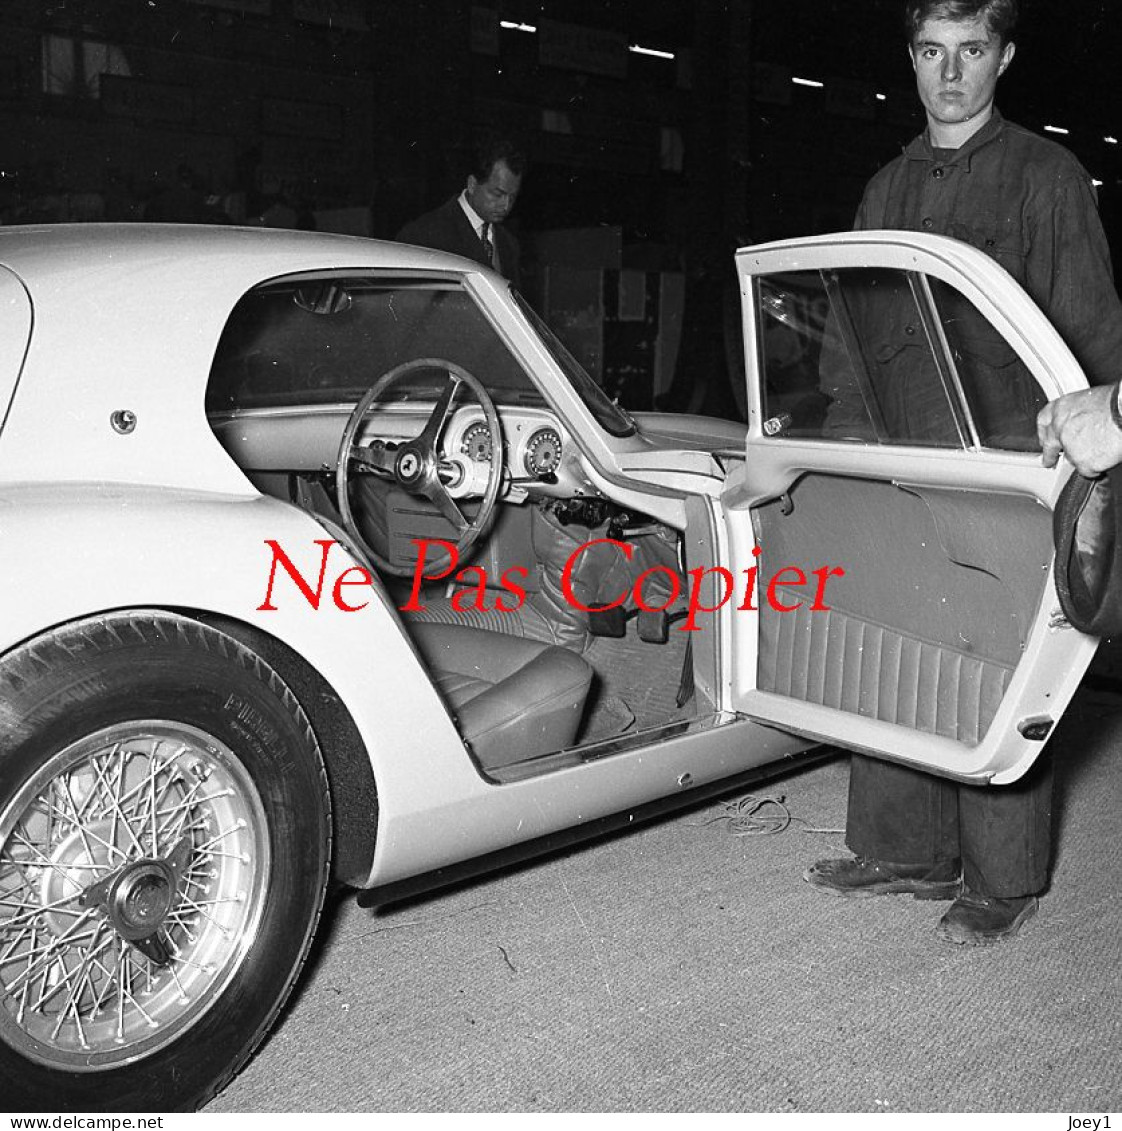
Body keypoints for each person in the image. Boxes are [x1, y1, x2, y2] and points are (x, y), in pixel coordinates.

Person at [804, 0, 1122, 946]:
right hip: (901, 459)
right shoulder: (885, 187)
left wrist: (1087, 456)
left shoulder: (1046, 177)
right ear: (910, 58)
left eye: (972, 50)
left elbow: (1090, 331)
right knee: (894, 643)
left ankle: (1002, 876)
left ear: (1005, 57)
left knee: (997, 662)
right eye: (933, 51)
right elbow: (848, 342)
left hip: (1006, 465)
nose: (951, 73)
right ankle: (903, 848)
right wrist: (846, 454)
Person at [395, 135, 525, 288]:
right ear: (472, 184)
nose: (506, 205)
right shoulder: (422, 235)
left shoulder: (509, 245)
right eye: (497, 194)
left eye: (512, 197)